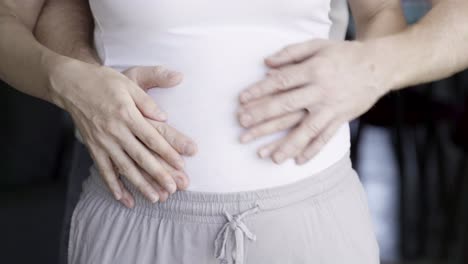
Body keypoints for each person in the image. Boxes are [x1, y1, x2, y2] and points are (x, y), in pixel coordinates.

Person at [1, 0, 467, 264]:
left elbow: (383, 10)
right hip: (134, 215)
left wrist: (377, 65)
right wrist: (61, 76)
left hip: (310, 225)